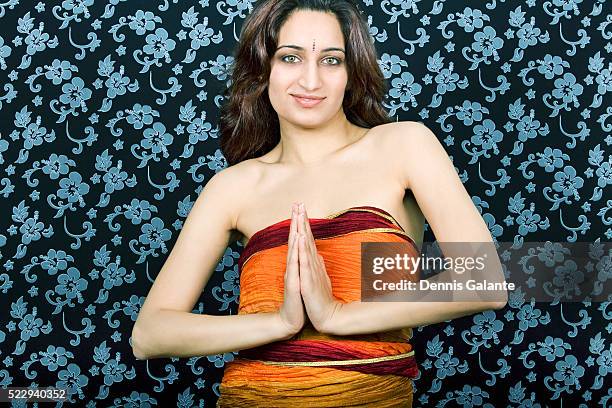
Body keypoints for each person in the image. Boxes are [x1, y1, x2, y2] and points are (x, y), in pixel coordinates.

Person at [131, 0, 508, 406]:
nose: (310, 81)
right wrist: (280, 322)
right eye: (290, 57)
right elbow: (150, 335)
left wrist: (335, 315)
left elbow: (483, 282)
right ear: (263, 71)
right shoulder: (233, 186)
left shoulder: (404, 146)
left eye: (331, 60)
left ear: (351, 74)